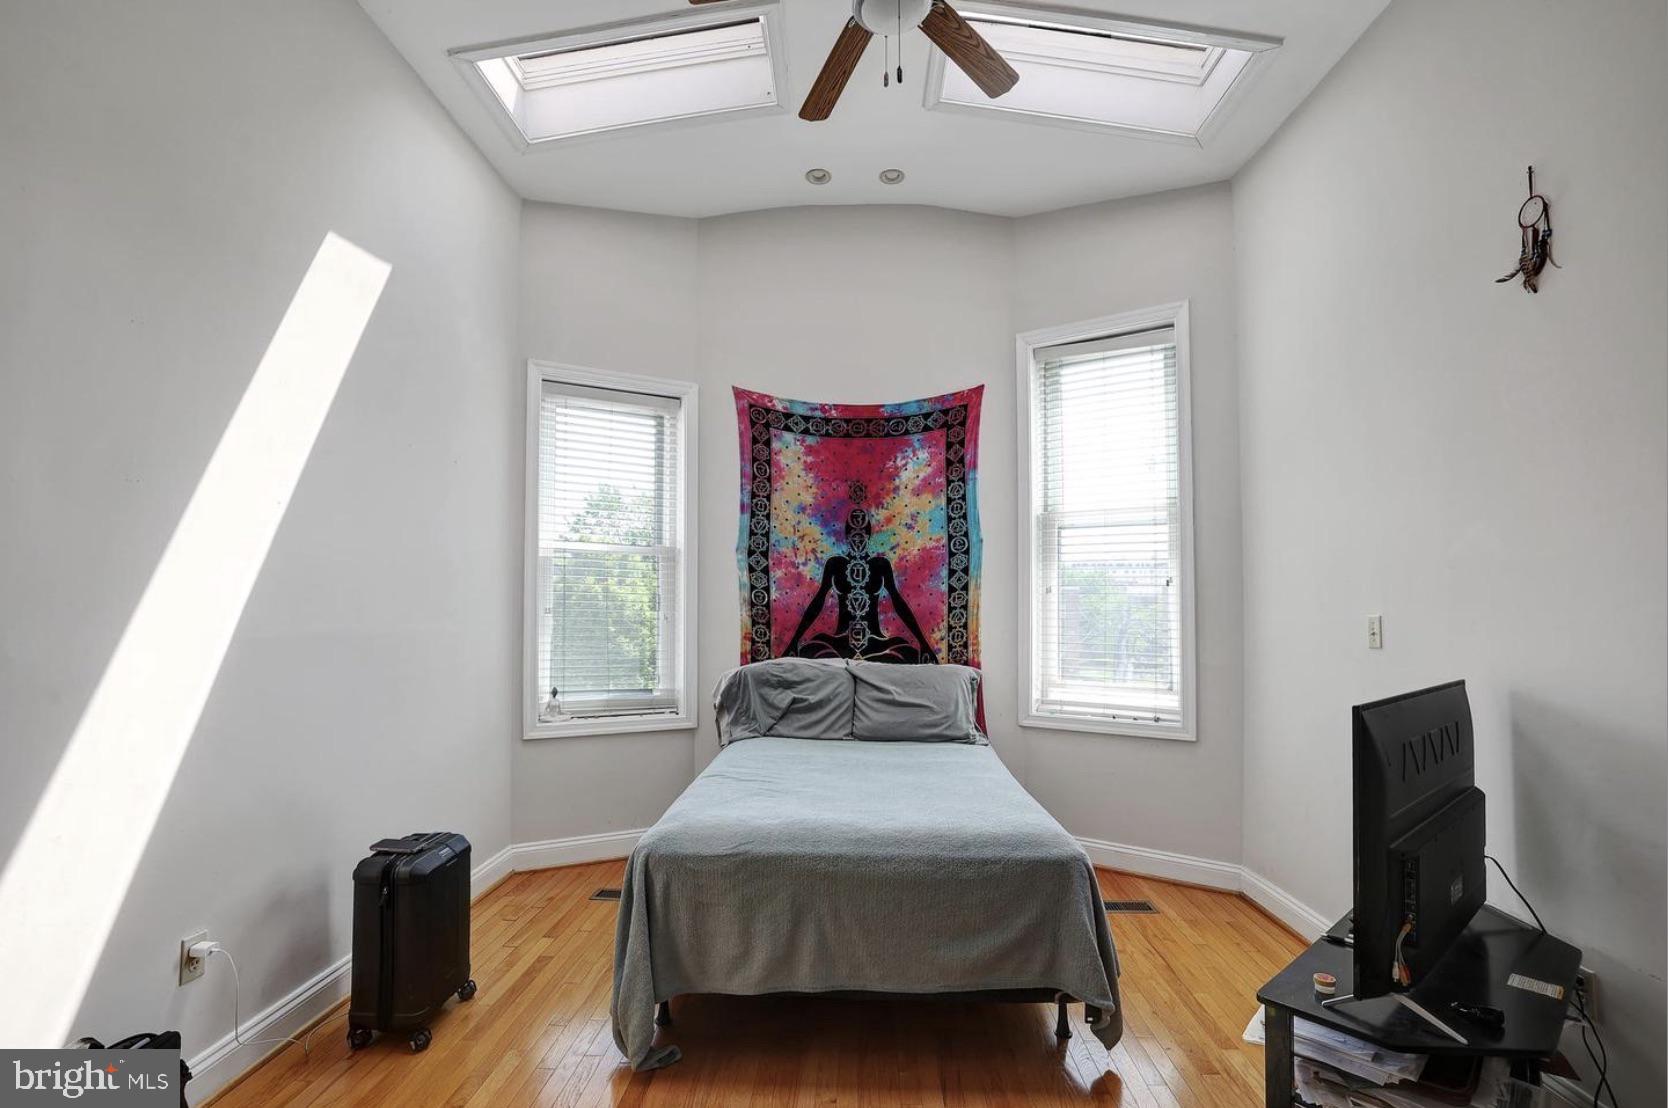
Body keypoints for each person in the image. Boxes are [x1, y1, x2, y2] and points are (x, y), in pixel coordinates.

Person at [783, 482, 938, 664]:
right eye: (853, 535)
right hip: (841, 642)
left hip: (876, 641)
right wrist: (794, 640)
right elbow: (818, 602)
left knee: (906, 651)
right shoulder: (835, 564)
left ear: (869, 536)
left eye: (862, 535)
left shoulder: (880, 564)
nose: (858, 540)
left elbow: (898, 603)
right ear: (847, 536)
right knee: (811, 649)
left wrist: (923, 643)